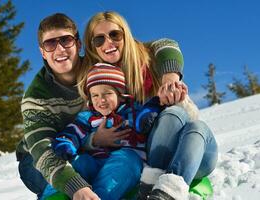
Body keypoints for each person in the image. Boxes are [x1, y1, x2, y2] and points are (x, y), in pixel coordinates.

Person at [79, 11, 218, 200]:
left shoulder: (149, 60)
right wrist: (94, 140)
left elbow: (167, 44)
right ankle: (161, 190)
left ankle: (163, 186)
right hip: (151, 155)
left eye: (114, 35)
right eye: (99, 39)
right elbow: (85, 125)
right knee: (176, 117)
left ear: (125, 35)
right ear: (92, 46)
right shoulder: (99, 85)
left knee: (191, 122)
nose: (108, 43)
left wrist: (170, 80)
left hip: (190, 149)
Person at [15, 13, 104, 200]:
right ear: (42, 52)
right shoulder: (36, 95)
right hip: (35, 159)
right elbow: (41, 149)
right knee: (79, 170)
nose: (60, 49)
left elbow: (154, 48)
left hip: (84, 147)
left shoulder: (99, 70)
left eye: (66, 40)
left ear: (78, 44)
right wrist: (76, 187)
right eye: (50, 44)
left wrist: (170, 74)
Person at [52, 62, 163, 200]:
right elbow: (72, 133)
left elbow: (143, 119)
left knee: (126, 159)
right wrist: (66, 144)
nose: (101, 100)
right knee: (80, 162)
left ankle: (100, 197)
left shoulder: (130, 113)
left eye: (107, 93)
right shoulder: (87, 118)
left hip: (125, 167)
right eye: (95, 95)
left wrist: (149, 111)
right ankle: (54, 197)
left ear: (121, 95)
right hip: (95, 164)